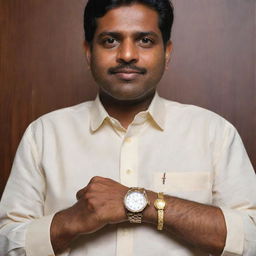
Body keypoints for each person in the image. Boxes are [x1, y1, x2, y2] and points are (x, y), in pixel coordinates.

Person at [0, 0, 256, 255]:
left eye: (145, 40)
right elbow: (7, 244)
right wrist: (71, 221)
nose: (127, 54)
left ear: (167, 53)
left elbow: (251, 239)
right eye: (110, 40)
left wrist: (141, 203)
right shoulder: (44, 135)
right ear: (88, 52)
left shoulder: (215, 134)